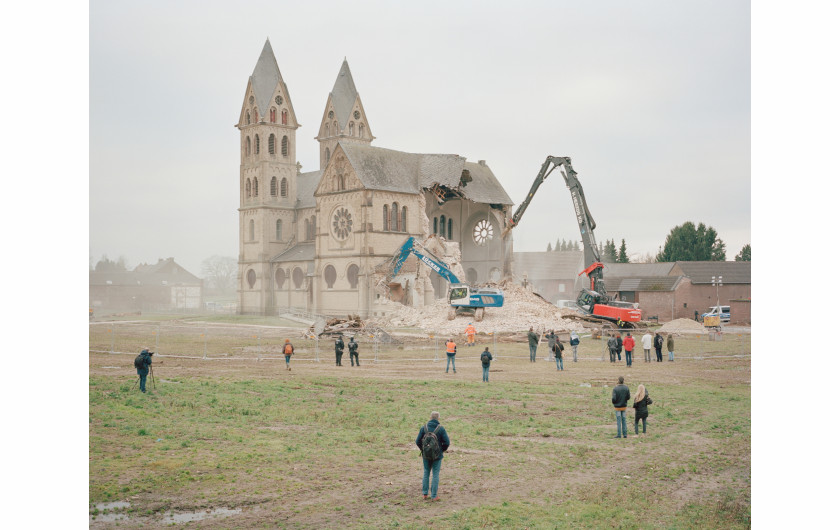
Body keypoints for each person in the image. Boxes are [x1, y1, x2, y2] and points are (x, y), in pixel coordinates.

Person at [415, 411, 450, 501]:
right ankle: (434, 496)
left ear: (430, 417)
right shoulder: (441, 429)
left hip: (426, 455)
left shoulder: (424, 428)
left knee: (426, 473)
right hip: (437, 456)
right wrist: (441, 450)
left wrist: (424, 450)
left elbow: (417, 441)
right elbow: (447, 442)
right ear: (438, 418)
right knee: (435, 474)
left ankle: (425, 494)